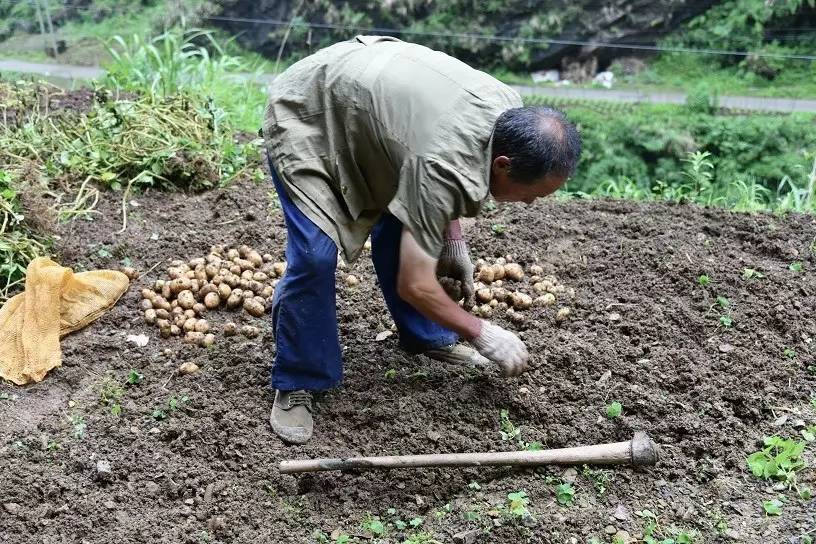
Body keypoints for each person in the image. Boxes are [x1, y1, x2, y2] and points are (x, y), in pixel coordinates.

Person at [262, 35, 581, 444]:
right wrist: (480, 331)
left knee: (406, 215)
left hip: (375, 116)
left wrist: (453, 242)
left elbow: (447, 172)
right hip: (311, 111)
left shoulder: (508, 114)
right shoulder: (443, 160)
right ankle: (298, 377)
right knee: (313, 257)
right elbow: (415, 281)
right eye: (532, 193)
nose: (531, 203)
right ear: (503, 165)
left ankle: (424, 335)